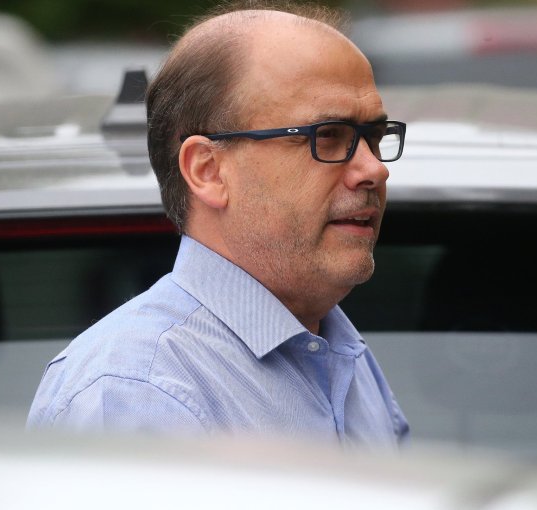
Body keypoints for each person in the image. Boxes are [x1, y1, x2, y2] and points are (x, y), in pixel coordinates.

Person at [27, 1, 409, 449]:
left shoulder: (342, 354)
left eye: (373, 138)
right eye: (327, 136)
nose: (374, 169)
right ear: (208, 170)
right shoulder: (135, 392)